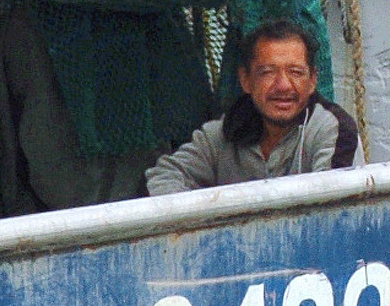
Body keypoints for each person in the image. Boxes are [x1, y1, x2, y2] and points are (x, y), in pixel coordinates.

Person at [146, 19, 360, 192]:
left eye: (296, 72)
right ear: (245, 80)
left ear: (313, 80)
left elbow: (333, 204)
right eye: (268, 72)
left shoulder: (332, 130)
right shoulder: (225, 132)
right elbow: (165, 174)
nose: (283, 85)